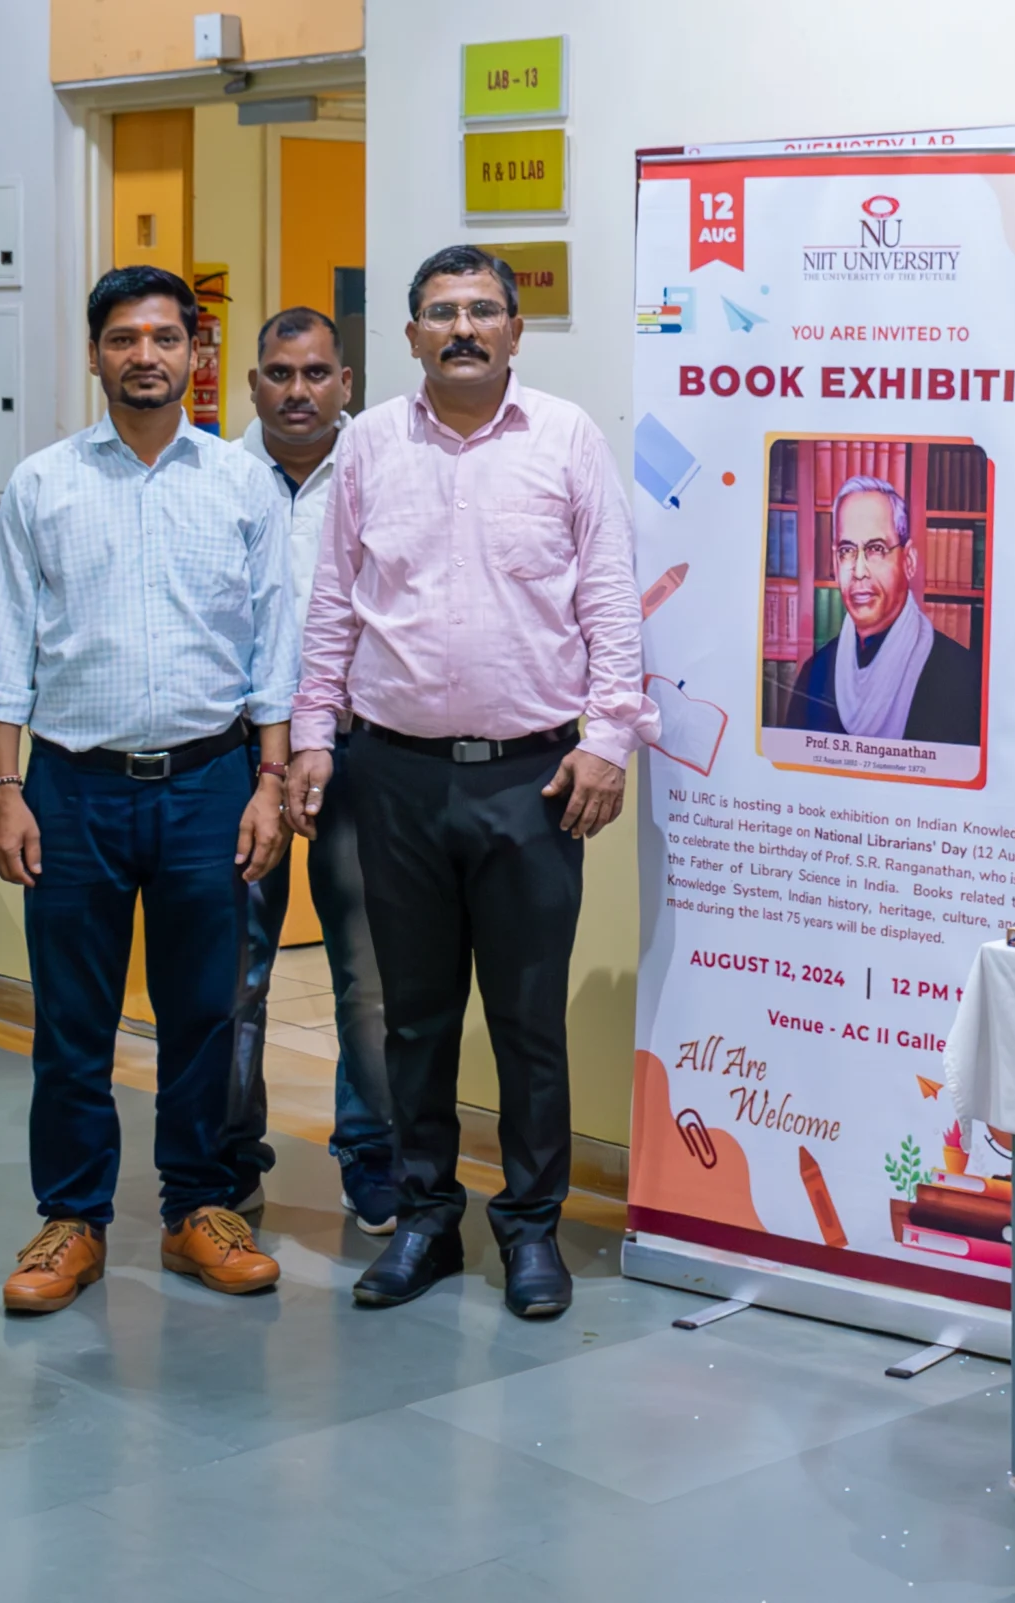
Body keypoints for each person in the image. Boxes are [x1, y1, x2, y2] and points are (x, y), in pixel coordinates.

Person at [288, 245, 656, 1320]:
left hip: (535, 781)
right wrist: (315, 731)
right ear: (407, 335)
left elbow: (612, 604)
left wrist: (607, 741)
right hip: (392, 776)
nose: (462, 327)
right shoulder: (368, 445)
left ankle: (532, 1230)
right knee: (414, 1020)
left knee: (529, 1020)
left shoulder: (565, 439)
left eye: (482, 311)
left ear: (513, 331)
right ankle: (425, 1221)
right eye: (441, 312)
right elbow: (332, 605)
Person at [0, 265, 297, 1315]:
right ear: (95, 352)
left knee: (206, 1011)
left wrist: (269, 782)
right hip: (71, 789)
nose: (145, 356)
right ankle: (72, 1217)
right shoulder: (43, 484)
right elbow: (4, 654)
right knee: (73, 1018)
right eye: (124, 338)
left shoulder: (241, 482)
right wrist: (4, 791)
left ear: (195, 353)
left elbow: (273, 653)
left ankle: (198, 1204)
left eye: (164, 337)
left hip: (212, 783)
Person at [227, 304, 398, 1232]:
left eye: (317, 374)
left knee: (366, 973)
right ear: (253, 383)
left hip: (358, 752)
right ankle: (229, 1156)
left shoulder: (379, 470)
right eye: (280, 374)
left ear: (346, 385)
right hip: (237, 759)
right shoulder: (212, 475)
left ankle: (370, 1153)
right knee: (236, 969)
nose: (299, 391)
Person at [783, 474, 983, 743]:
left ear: (908, 561)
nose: (859, 571)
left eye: (876, 549)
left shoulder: (963, 677)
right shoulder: (815, 675)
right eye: (847, 551)